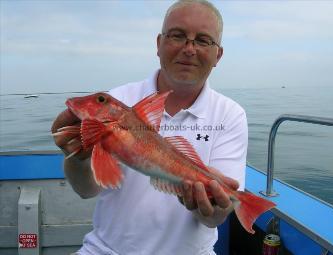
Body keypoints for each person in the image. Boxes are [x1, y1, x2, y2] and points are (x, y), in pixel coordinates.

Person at [51, 0, 248, 254]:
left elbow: (214, 219)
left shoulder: (230, 114)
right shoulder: (121, 97)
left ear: (217, 55)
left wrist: (212, 208)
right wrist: (77, 159)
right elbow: (86, 190)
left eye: (202, 40)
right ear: (158, 44)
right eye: (177, 35)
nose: (189, 49)